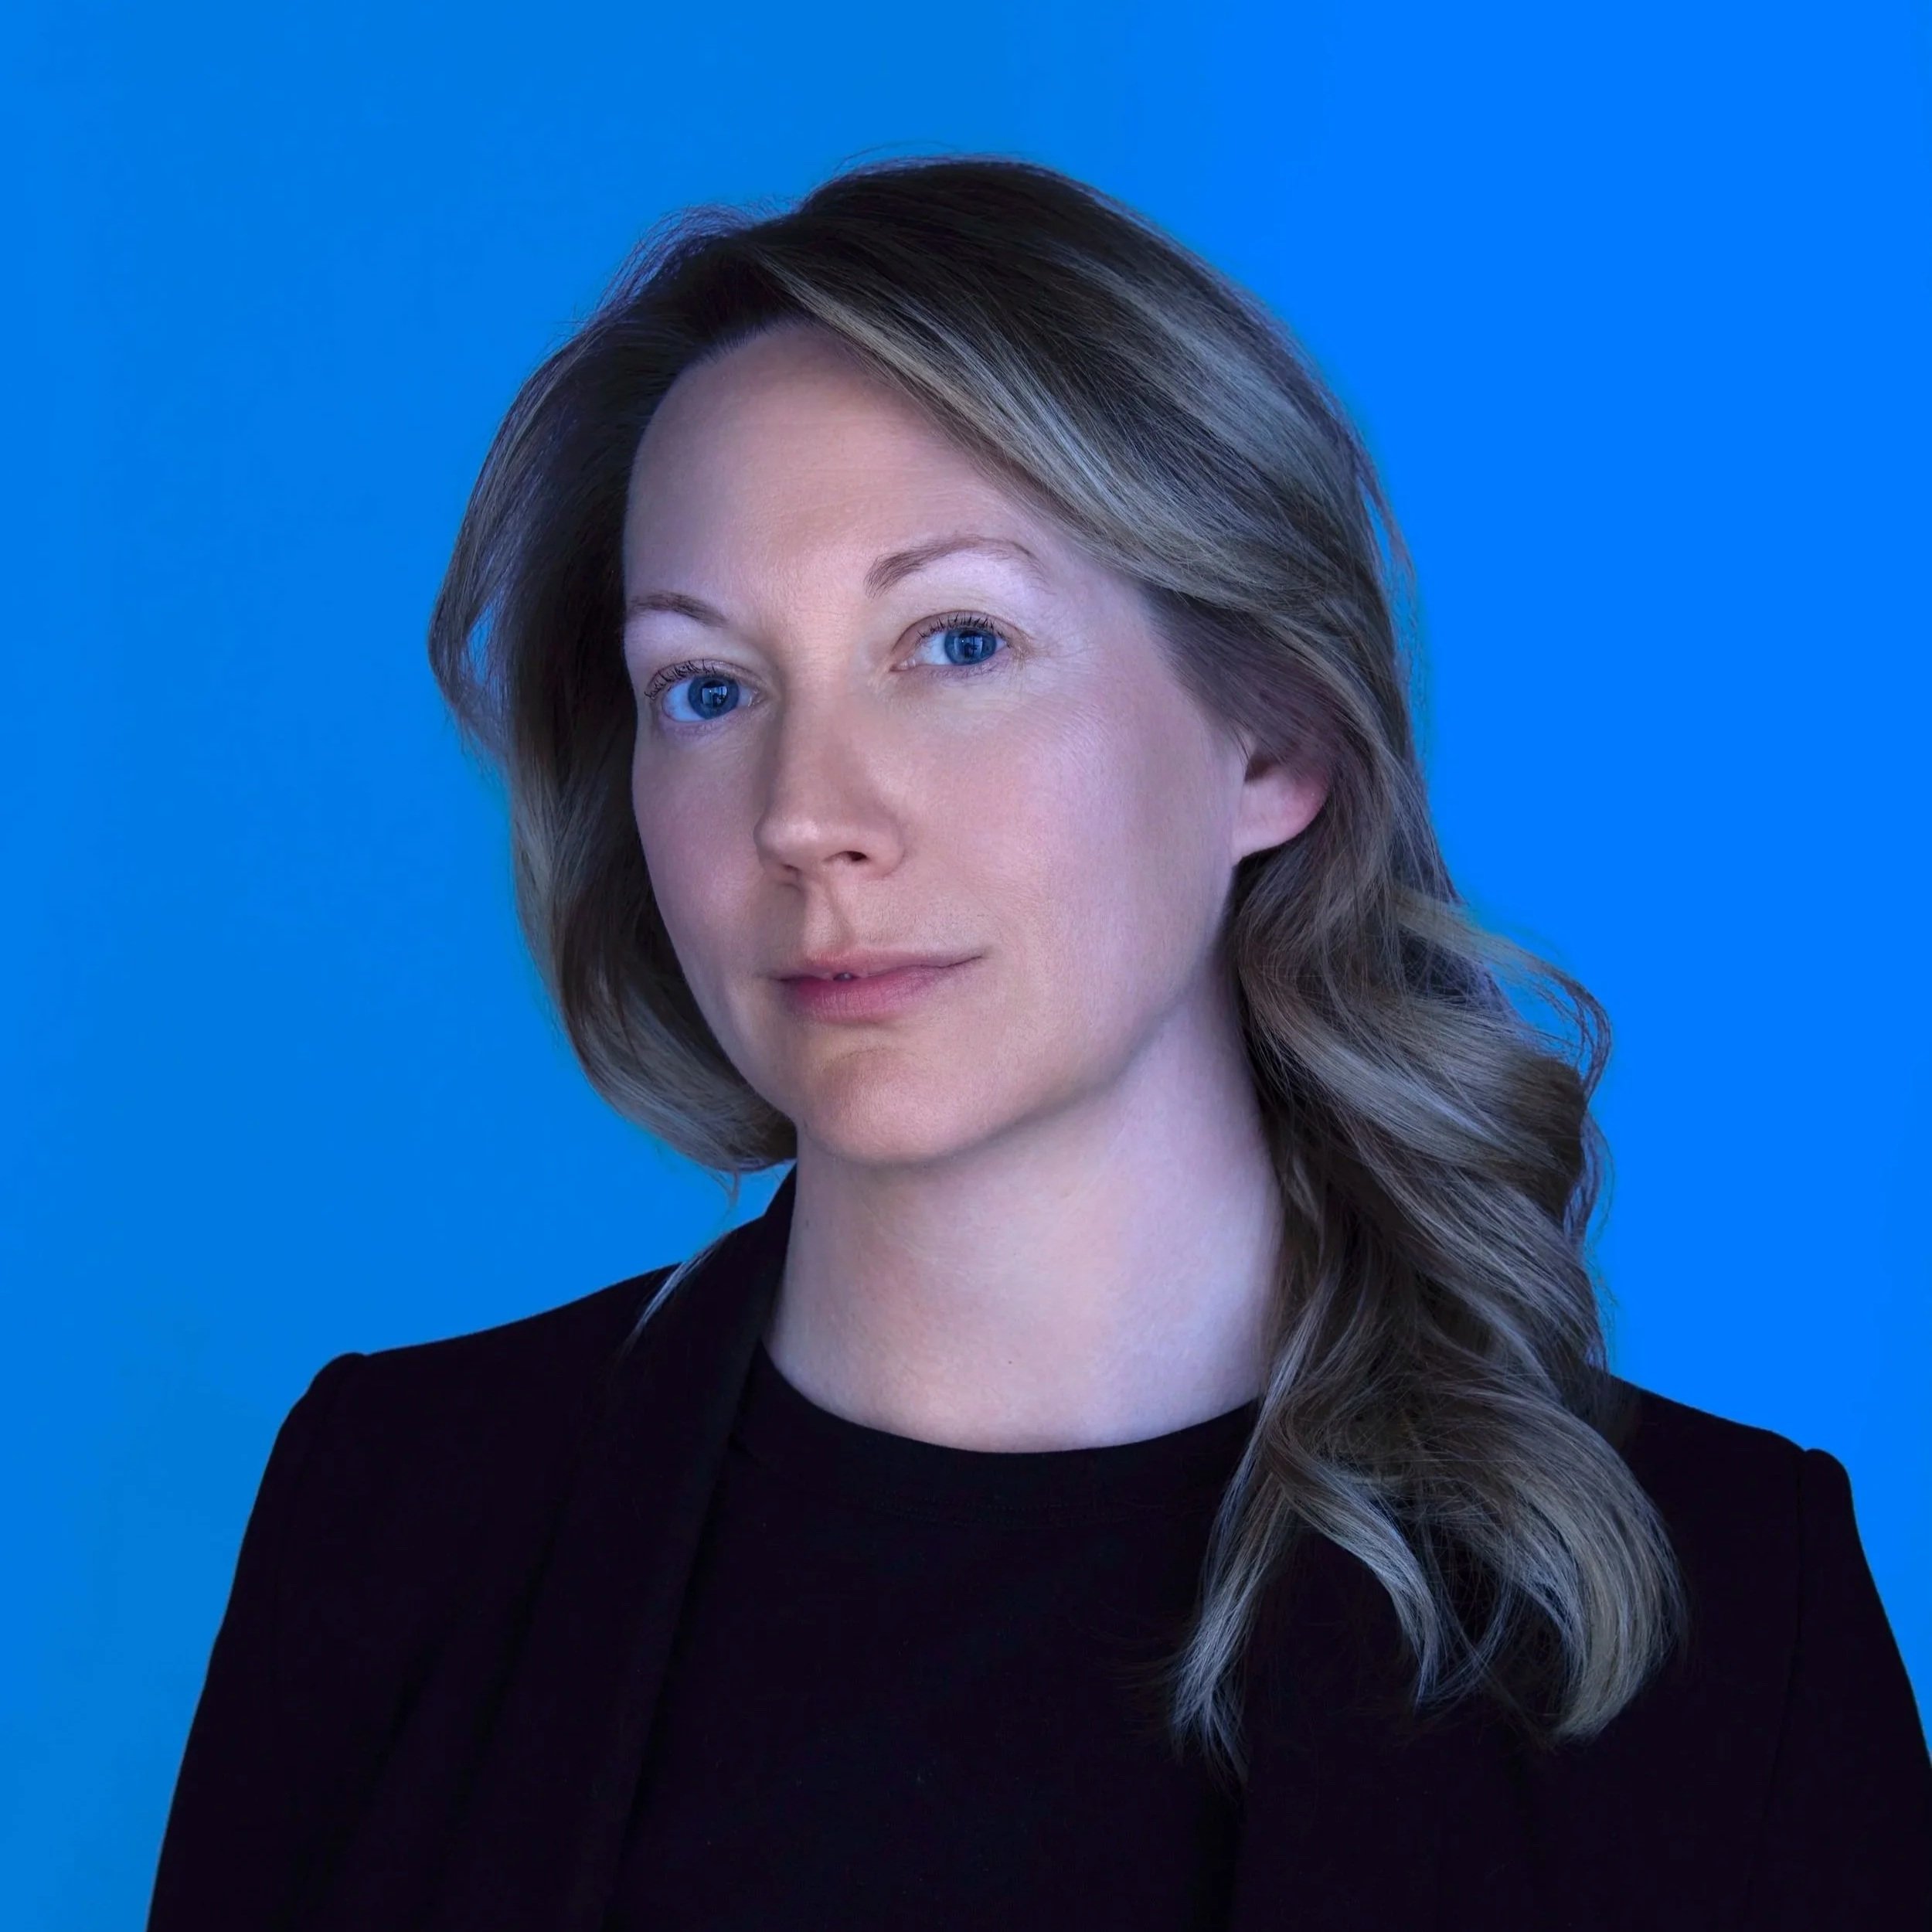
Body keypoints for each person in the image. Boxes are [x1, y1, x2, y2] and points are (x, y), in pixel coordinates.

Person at [146, 154, 1932, 1930]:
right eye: (707, 686)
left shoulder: (1725, 1608)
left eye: (956, 641)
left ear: (1271, 739)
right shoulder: (390, 1513)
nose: (803, 813)